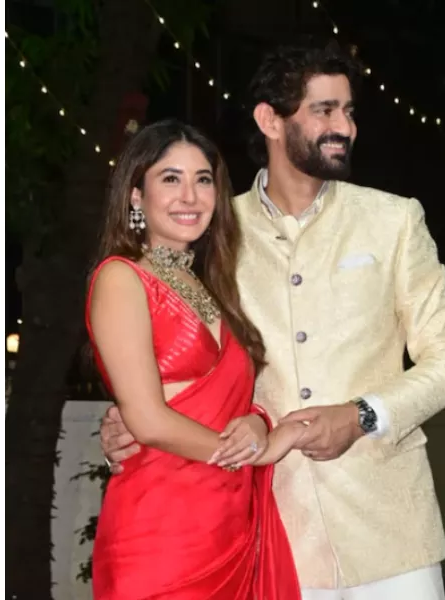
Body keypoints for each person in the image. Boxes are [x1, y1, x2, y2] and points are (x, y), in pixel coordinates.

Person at [99, 42, 445, 600]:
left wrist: (362, 415)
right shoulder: (214, 232)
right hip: (273, 533)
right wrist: (131, 416)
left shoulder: (393, 219)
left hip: (390, 531)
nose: (343, 127)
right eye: (324, 110)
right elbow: (178, 347)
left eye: (348, 111)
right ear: (270, 120)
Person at [85, 118, 305, 600]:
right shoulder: (122, 278)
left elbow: (233, 398)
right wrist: (253, 452)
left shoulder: (212, 287)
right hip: (160, 531)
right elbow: (147, 420)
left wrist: (257, 423)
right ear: (136, 195)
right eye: (171, 178)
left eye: (203, 180)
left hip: (229, 526)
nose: (190, 196)